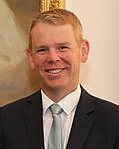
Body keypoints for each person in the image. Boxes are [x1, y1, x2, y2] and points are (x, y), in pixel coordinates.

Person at [0, 8, 119, 149]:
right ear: (31, 57)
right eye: (42, 50)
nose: (53, 58)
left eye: (62, 47)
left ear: (83, 51)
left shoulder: (114, 122)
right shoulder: (5, 121)